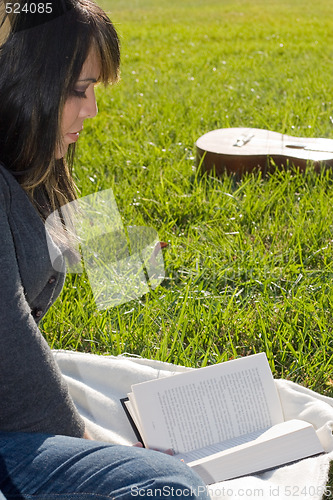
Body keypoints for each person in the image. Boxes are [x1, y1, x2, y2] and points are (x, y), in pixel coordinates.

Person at [0, 1, 209, 498]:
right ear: (20, 79)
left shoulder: (29, 158)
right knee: (169, 488)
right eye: (78, 90)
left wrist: (150, 261)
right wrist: (95, 447)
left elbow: (83, 251)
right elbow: (8, 336)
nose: (92, 109)